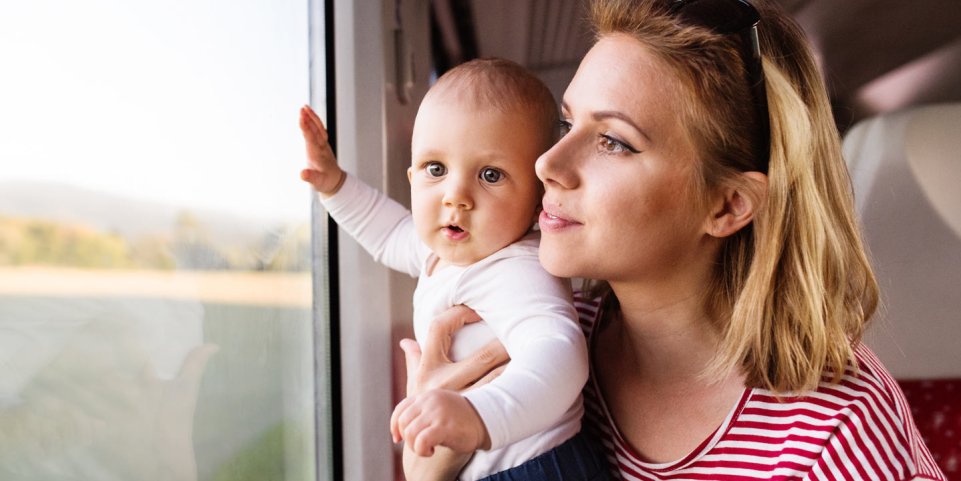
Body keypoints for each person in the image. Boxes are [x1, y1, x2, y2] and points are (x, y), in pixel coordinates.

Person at [402, 0, 947, 480]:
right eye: (568, 126)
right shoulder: (529, 342)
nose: (547, 165)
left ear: (728, 205)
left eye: (614, 142)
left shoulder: (836, 435)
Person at [299, 58, 611, 481]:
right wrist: (335, 186)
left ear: (539, 200)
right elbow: (389, 233)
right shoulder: (443, 251)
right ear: (412, 177)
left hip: (535, 467)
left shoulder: (517, 269)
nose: (456, 196)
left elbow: (561, 354)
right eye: (436, 169)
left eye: (490, 174)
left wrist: (479, 415)